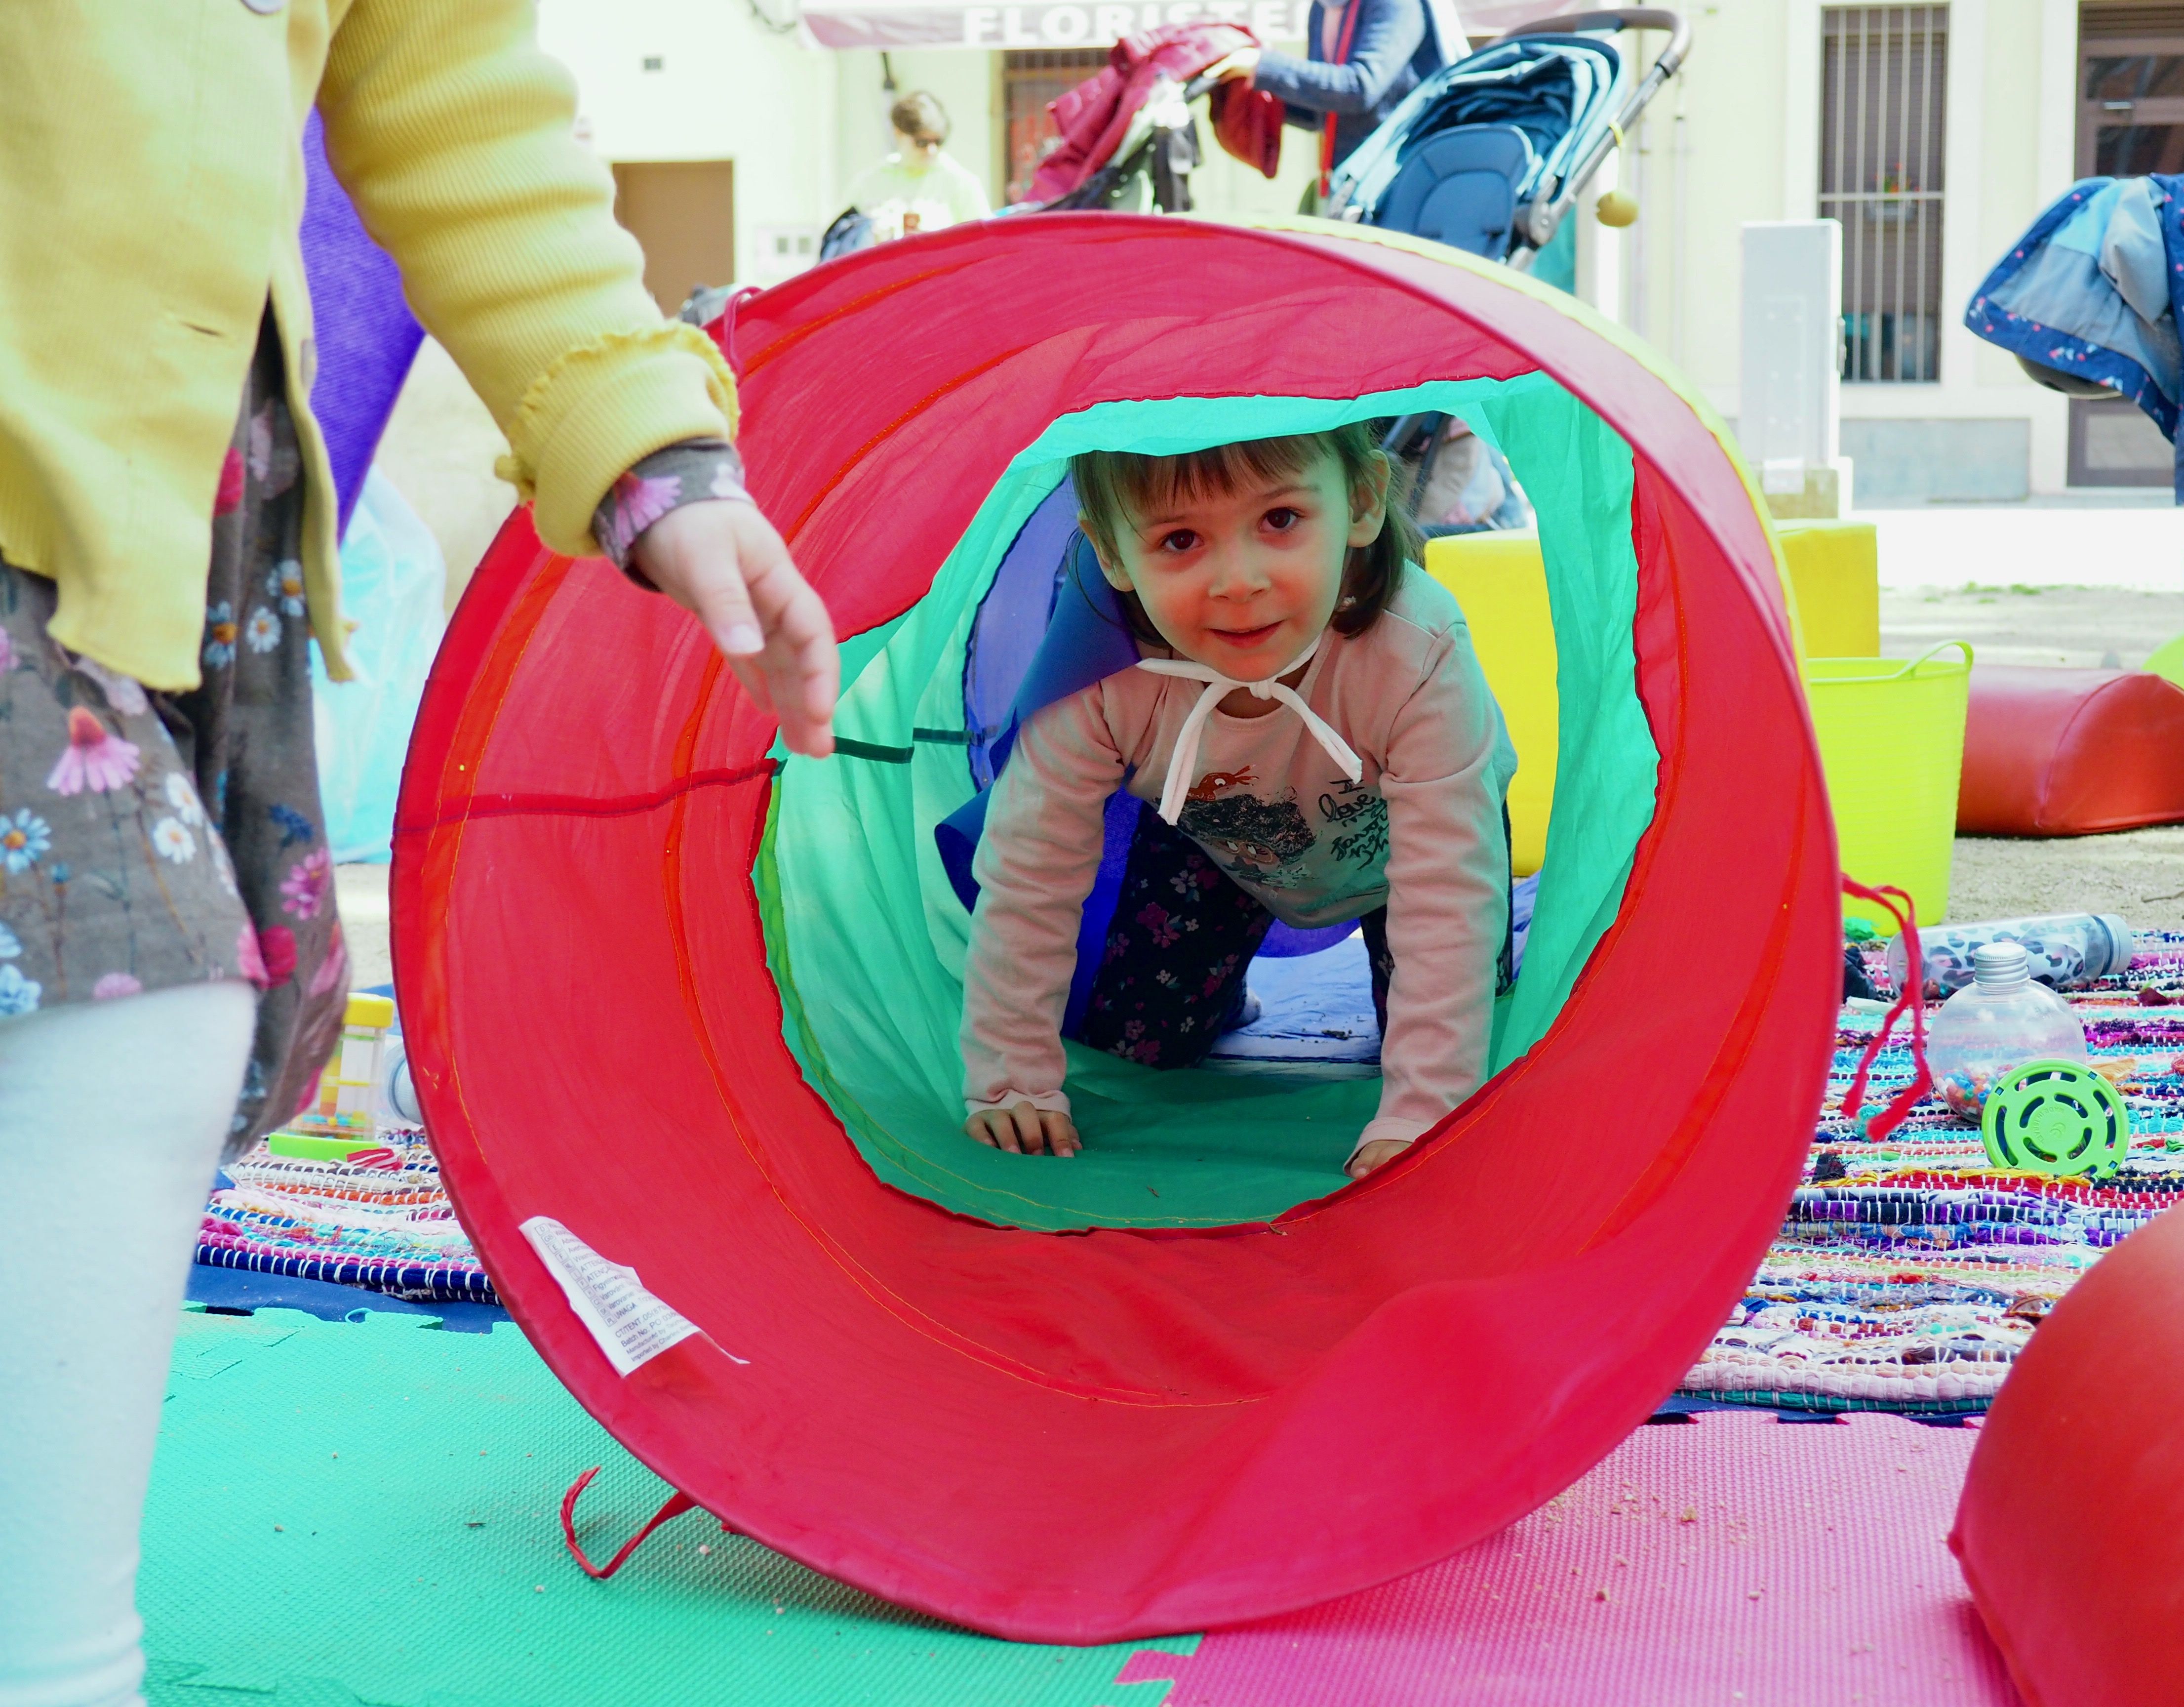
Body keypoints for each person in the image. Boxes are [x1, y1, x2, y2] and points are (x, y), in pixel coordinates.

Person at [0, 6, 837, 1704]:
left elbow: (454, 98)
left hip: (173, 466)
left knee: (200, 1009)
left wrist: (648, 447)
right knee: (124, 1000)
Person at [958, 425, 1516, 1183]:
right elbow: (1030, 870)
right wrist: (1011, 1077)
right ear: (1114, 554)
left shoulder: (1415, 648)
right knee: (1140, 1045)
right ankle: (1221, 991)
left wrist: (1425, 1105)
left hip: (1407, 854)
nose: (1238, 581)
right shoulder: (1096, 675)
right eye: (1181, 538)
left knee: (1476, 1054)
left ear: (1361, 501)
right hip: (1221, 852)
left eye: (1280, 520)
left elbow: (1450, 891)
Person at [1205, 0, 1468, 196]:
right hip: (1352, 179)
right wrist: (1246, 85)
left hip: (1406, 177)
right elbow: (1326, 109)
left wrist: (1263, 66)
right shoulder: (1323, 8)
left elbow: (1361, 87)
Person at [847, 91, 993, 236]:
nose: (932, 151)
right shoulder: (868, 183)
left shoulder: (961, 183)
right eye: (922, 142)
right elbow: (837, 243)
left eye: (938, 141)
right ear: (898, 134)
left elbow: (984, 245)